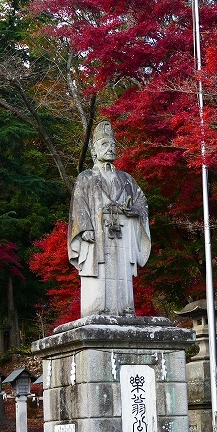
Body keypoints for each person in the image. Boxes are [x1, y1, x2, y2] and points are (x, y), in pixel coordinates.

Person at [68, 120, 151, 317]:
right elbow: (79, 205)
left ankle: (125, 308)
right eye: (105, 144)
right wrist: (84, 227)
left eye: (113, 144)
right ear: (94, 150)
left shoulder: (127, 180)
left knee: (122, 272)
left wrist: (134, 211)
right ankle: (98, 308)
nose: (111, 148)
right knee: (99, 271)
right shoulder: (86, 178)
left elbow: (142, 202)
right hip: (97, 233)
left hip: (122, 233)